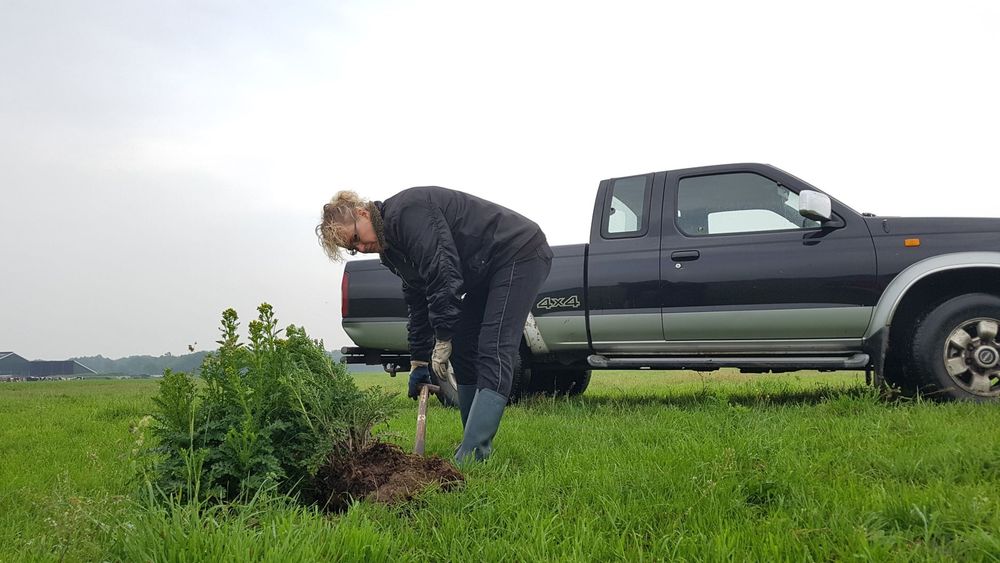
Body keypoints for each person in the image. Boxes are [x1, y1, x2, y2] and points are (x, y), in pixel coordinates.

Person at [316, 187, 552, 462]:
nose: (360, 248)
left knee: (494, 345)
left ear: (362, 212)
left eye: (356, 238)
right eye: (352, 249)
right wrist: (418, 361)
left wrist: (442, 338)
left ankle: (475, 453)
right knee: (464, 342)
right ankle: (470, 441)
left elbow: (443, 273)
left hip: (519, 253)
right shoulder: (391, 251)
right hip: (488, 269)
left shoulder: (408, 214)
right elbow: (418, 299)